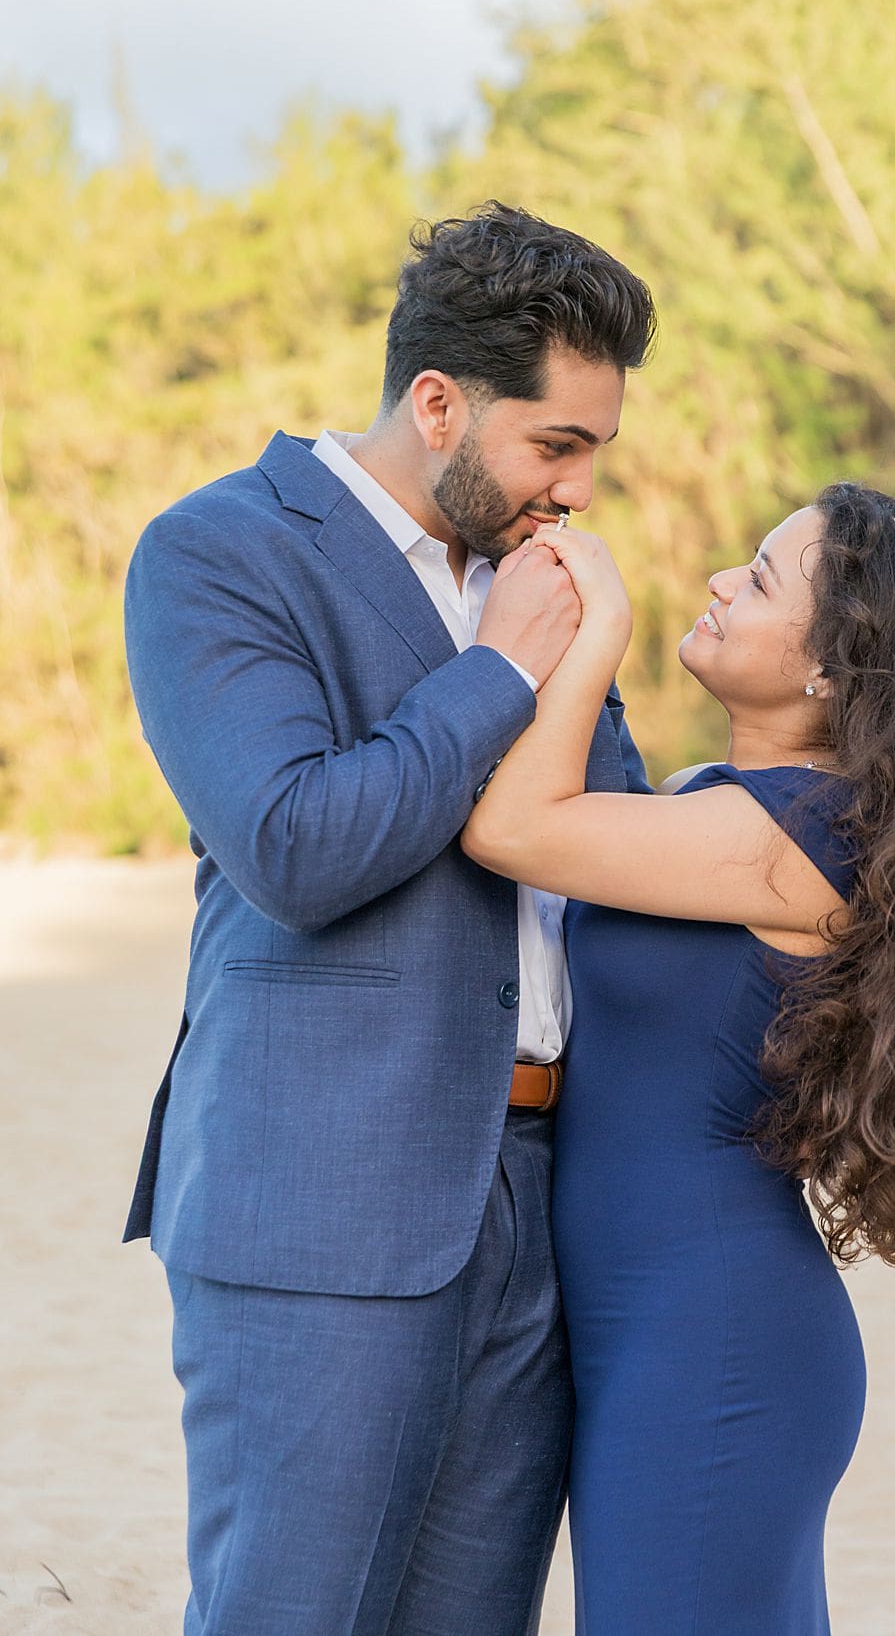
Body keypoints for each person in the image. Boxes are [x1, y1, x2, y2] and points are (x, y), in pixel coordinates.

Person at [120, 202, 657, 1635]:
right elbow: (296, 844)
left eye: (597, 449)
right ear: (438, 403)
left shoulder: (538, 581)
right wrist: (501, 671)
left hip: (547, 1195)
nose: (583, 490)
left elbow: (606, 844)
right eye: (559, 443)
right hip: (324, 1206)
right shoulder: (219, 552)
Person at [463, 485, 895, 1634]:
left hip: (714, 1337)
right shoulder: (712, 807)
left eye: (763, 576)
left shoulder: (803, 832)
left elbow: (513, 826)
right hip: (656, 1326)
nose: (724, 579)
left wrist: (598, 627)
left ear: (839, 666)